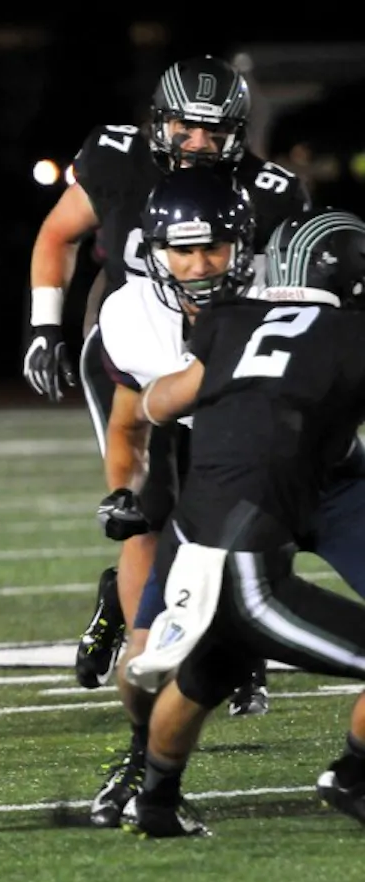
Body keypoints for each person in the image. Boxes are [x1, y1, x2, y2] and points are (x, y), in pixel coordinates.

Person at [21, 55, 311, 692]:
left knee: (238, 494)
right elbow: (58, 233)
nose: (199, 142)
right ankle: (145, 648)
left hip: (224, 350)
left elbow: (294, 286)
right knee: (146, 509)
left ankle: (225, 635)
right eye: (186, 126)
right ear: (159, 121)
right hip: (136, 345)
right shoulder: (118, 160)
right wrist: (47, 326)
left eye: (214, 129)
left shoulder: (270, 191)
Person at [88, 186, 365, 826]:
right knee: (149, 654)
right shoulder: (347, 334)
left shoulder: (229, 320)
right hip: (240, 538)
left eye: (214, 247)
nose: (200, 264)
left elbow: (157, 404)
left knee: (208, 667)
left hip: (213, 514)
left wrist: (233, 396)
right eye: (181, 251)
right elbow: (137, 426)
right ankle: (354, 776)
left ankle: (156, 799)